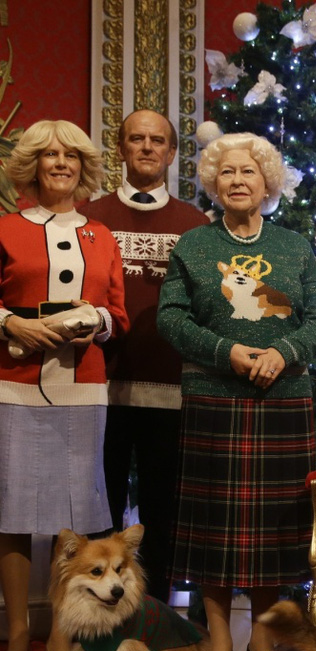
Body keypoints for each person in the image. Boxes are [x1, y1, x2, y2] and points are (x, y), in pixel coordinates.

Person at [157, 132, 316, 651]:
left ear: (267, 182)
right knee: (214, 531)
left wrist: (283, 351)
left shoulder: (294, 246)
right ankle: (218, 648)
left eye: (249, 171)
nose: (238, 180)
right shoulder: (193, 245)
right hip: (214, 400)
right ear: (214, 182)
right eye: (227, 172)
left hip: (282, 403)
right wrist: (226, 351)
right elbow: (171, 318)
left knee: (272, 535)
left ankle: (261, 647)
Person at [0, 120, 129, 651]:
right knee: (12, 513)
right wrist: (12, 324)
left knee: (71, 520)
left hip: (83, 389)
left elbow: (118, 315)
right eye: (49, 154)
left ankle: (60, 630)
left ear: (83, 168)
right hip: (13, 384)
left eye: (71, 156)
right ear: (31, 165)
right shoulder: (5, 229)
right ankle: (17, 632)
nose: (60, 163)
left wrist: (93, 322)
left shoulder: (102, 235)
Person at [79, 110, 207, 602]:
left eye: (157, 141)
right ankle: (101, 615)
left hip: (171, 389)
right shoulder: (91, 218)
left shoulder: (194, 224)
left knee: (163, 510)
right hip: (100, 385)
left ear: (171, 153)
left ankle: (157, 613)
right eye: (137, 139)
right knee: (100, 507)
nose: (147, 147)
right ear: (121, 149)